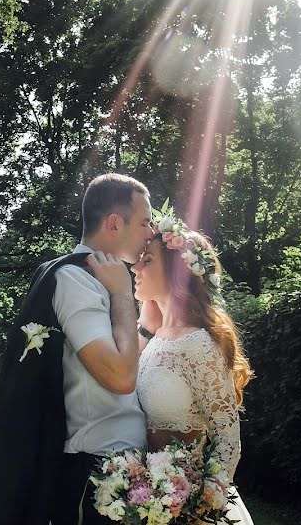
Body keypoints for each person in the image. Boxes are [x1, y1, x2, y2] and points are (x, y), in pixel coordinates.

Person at [0, 173, 154, 525]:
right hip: (98, 472)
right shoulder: (76, 279)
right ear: (115, 223)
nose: (151, 233)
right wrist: (121, 294)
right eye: (145, 222)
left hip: (117, 464)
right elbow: (120, 377)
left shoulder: (96, 278)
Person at [122, 207, 256, 523]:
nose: (135, 268)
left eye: (148, 260)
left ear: (178, 272)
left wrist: (202, 507)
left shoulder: (199, 344)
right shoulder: (153, 341)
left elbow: (227, 441)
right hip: (149, 502)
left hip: (190, 510)